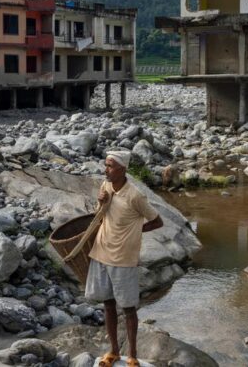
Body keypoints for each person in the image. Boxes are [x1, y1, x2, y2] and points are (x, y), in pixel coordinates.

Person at [86, 150, 164, 367]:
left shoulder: (135, 195)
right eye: (106, 165)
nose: (106, 169)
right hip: (101, 252)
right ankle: (113, 351)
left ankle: (132, 356)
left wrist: (135, 232)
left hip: (123, 258)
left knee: (128, 308)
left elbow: (157, 221)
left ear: (123, 169)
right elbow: (99, 216)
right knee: (108, 304)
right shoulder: (105, 186)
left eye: (110, 166)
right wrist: (101, 203)